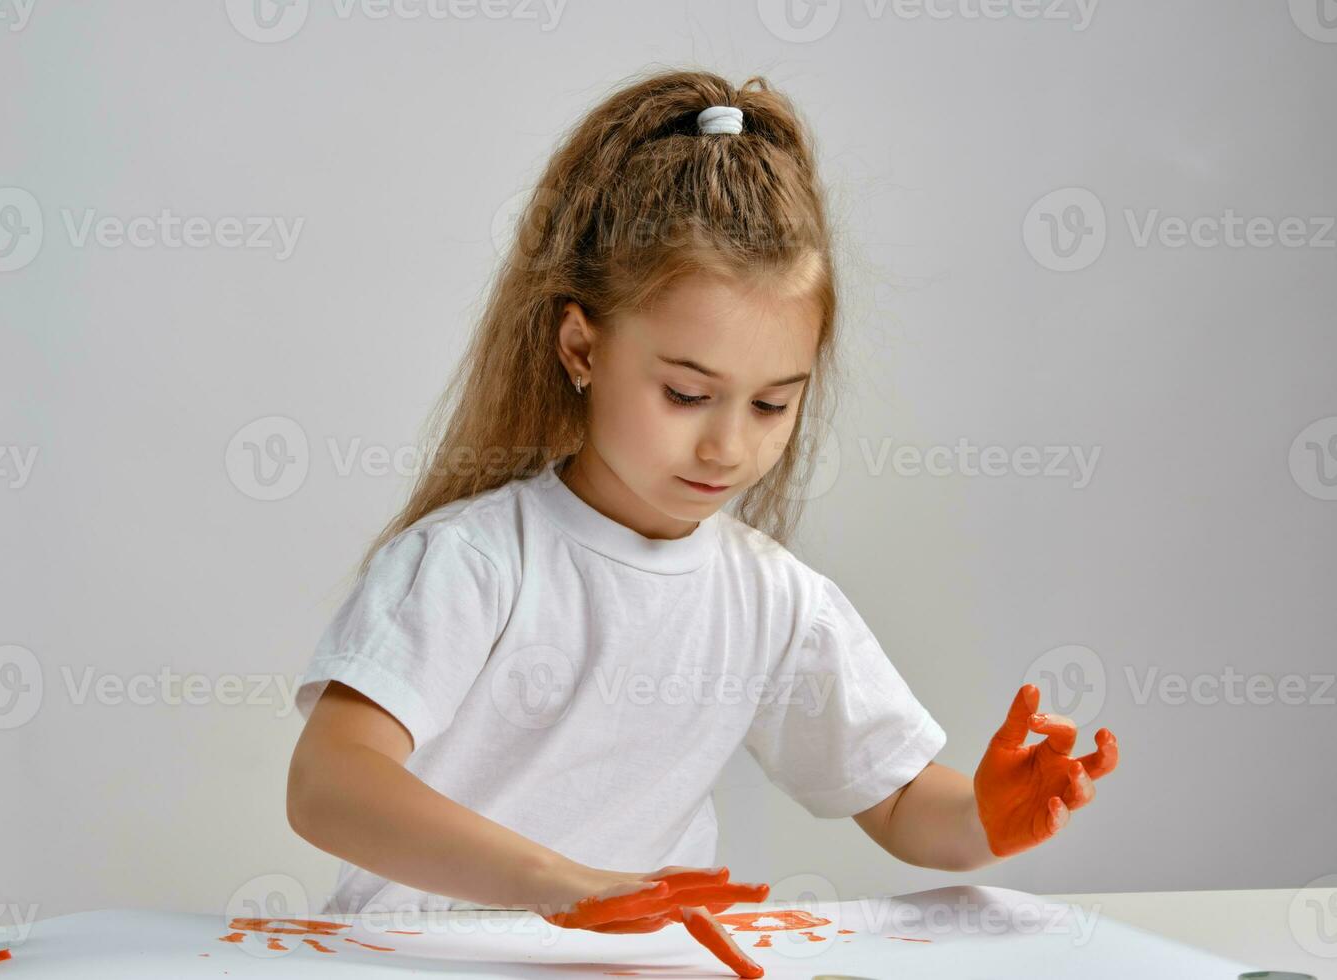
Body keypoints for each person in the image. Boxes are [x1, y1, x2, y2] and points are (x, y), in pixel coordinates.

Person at [285, 68, 1119, 978]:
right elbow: (328, 786)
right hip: (410, 965)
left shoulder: (774, 600)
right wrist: (565, 886)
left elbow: (900, 801)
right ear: (581, 348)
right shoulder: (474, 563)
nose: (726, 446)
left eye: (771, 406)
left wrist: (987, 818)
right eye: (687, 393)